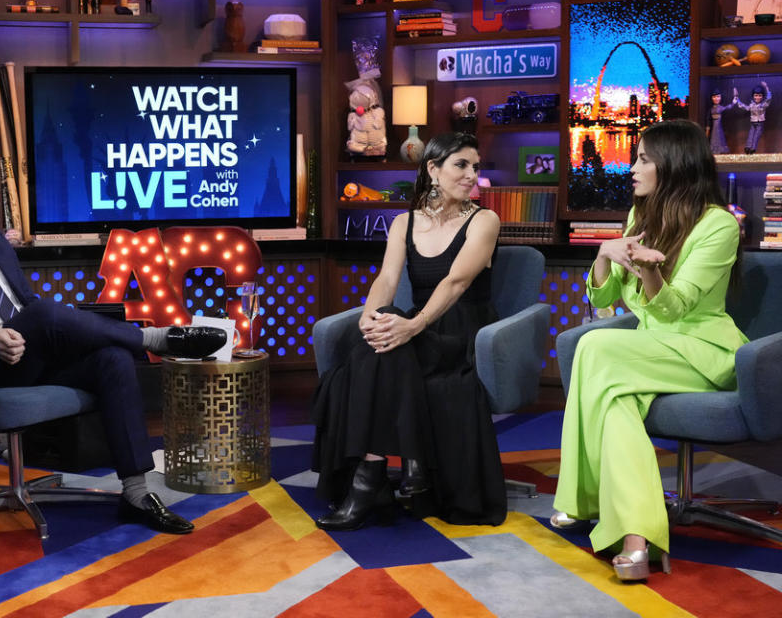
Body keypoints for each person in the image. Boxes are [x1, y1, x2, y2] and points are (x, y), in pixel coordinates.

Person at [0, 134, 228, 535]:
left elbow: (23, 302)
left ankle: (136, 493)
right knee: (44, 314)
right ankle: (155, 340)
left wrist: (39, 330)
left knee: (109, 357)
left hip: (30, 353)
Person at [550, 119, 747, 581]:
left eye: (641, 158)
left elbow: (676, 310)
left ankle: (580, 501)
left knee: (594, 348)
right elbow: (601, 298)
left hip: (702, 349)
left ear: (674, 164)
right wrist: (604, 255)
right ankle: (638, 538)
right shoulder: (641, 215)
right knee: (614, 399)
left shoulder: (719, 225)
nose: (631, 167)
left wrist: (650, 270)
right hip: (648, 346)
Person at [311, 132, 507, 531]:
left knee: (387, 347)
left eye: (475, 166)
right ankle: (383, 471)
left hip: (461, 331)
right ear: (433, 170)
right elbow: (386, 278)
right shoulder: (405, 221)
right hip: (417, 325)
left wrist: (412, 325)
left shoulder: (485, 220)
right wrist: (371, 316)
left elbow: (456, 283)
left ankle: (367, 485)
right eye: (461, 165)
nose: (472, 175)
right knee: (374, 341)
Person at [734, 81, 772, 154]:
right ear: (753, 96)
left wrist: (766, 87)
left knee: (756, 136)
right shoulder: (752, 105)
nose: (757, 97)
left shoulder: (763, 105)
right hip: (753, 122)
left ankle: (753, 148)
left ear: (762, 96)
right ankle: (748, 147)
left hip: (760, 123)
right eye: (756, 95)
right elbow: (744, 107)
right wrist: (737, 100)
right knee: (751, 135)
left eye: (759, 95)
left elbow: (769, 98)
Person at [706, 88, 733, 155]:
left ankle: (720, 150)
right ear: (711, 98)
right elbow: (708, 119)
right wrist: (707, 129)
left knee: (720, 138)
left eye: (718, 96)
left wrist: (733, 103)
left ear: (721, 97)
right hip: (713, 128)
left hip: (720, 127)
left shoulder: (721, 108)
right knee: (713, 139)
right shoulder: (711, 109)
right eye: (714, 97)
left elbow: (728, 108)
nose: (716, 98)